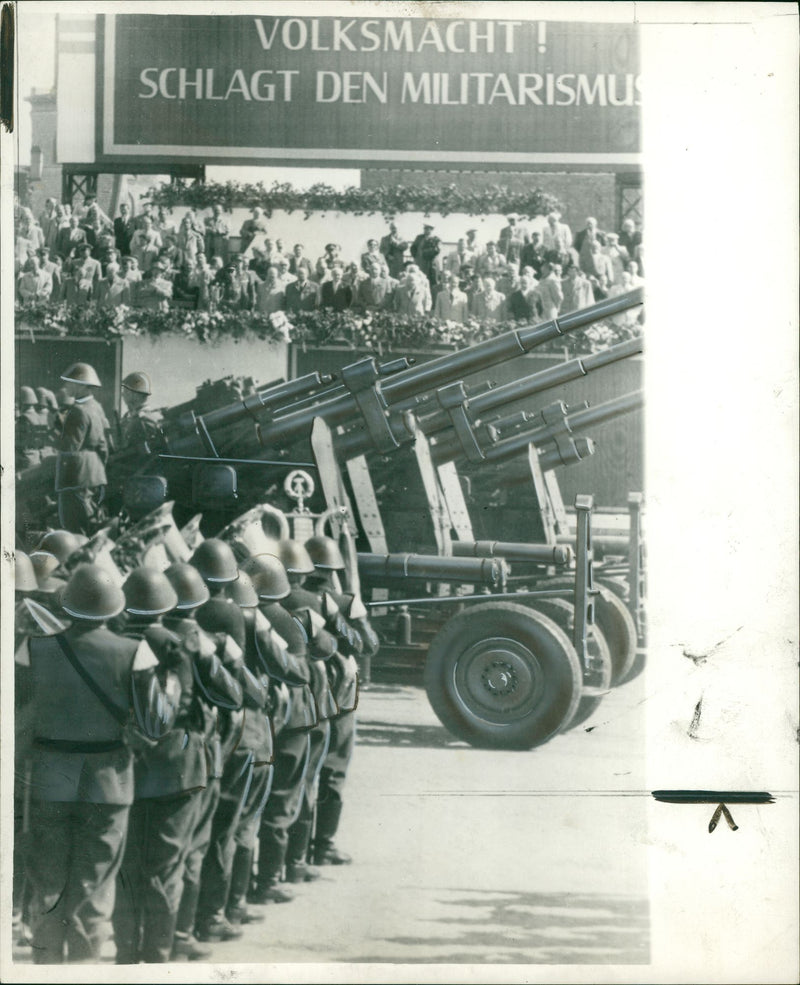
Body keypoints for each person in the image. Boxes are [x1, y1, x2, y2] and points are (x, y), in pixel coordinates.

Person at [15, 563, 175, 963]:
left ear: (67, 606)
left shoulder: (32, 648)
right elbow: (155, 723)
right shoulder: (134, 652)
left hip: (49, 778)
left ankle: (45, 964)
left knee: (48, 881)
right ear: (114, 608)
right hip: (108, 782)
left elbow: (16, 713)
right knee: (95, 885)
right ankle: (85, 967)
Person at [304, 536, 379, 867]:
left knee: (301, 772)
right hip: (340, 696)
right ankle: (323, 845)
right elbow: (369, 646)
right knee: (333, 770)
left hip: (306, 696)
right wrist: (356, 617)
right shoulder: (345, 602)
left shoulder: (293, 599)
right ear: (335, 568)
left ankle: (292, 852)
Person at [55, 362, 110, 535]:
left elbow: (69, 447)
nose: (65, 386)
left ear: (81, 385)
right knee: (91, 525)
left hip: (75, 477)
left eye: (69, 382)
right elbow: (104, 446)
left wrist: (56, 431)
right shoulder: (97, 407)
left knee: (74, 529)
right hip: (95, 474)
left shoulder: (77, 411)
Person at [410, 223, 441, 288]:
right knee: (419, 279)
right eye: (425, 228)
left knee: (432, 282)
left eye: (428, 229)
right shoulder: (419, 237)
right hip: (420, 263)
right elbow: (413, 248)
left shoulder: (436, 239)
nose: (426, 230)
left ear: (431, 230)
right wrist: (416, 256)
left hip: (431, 264)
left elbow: (437, 250)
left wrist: (425, 253)